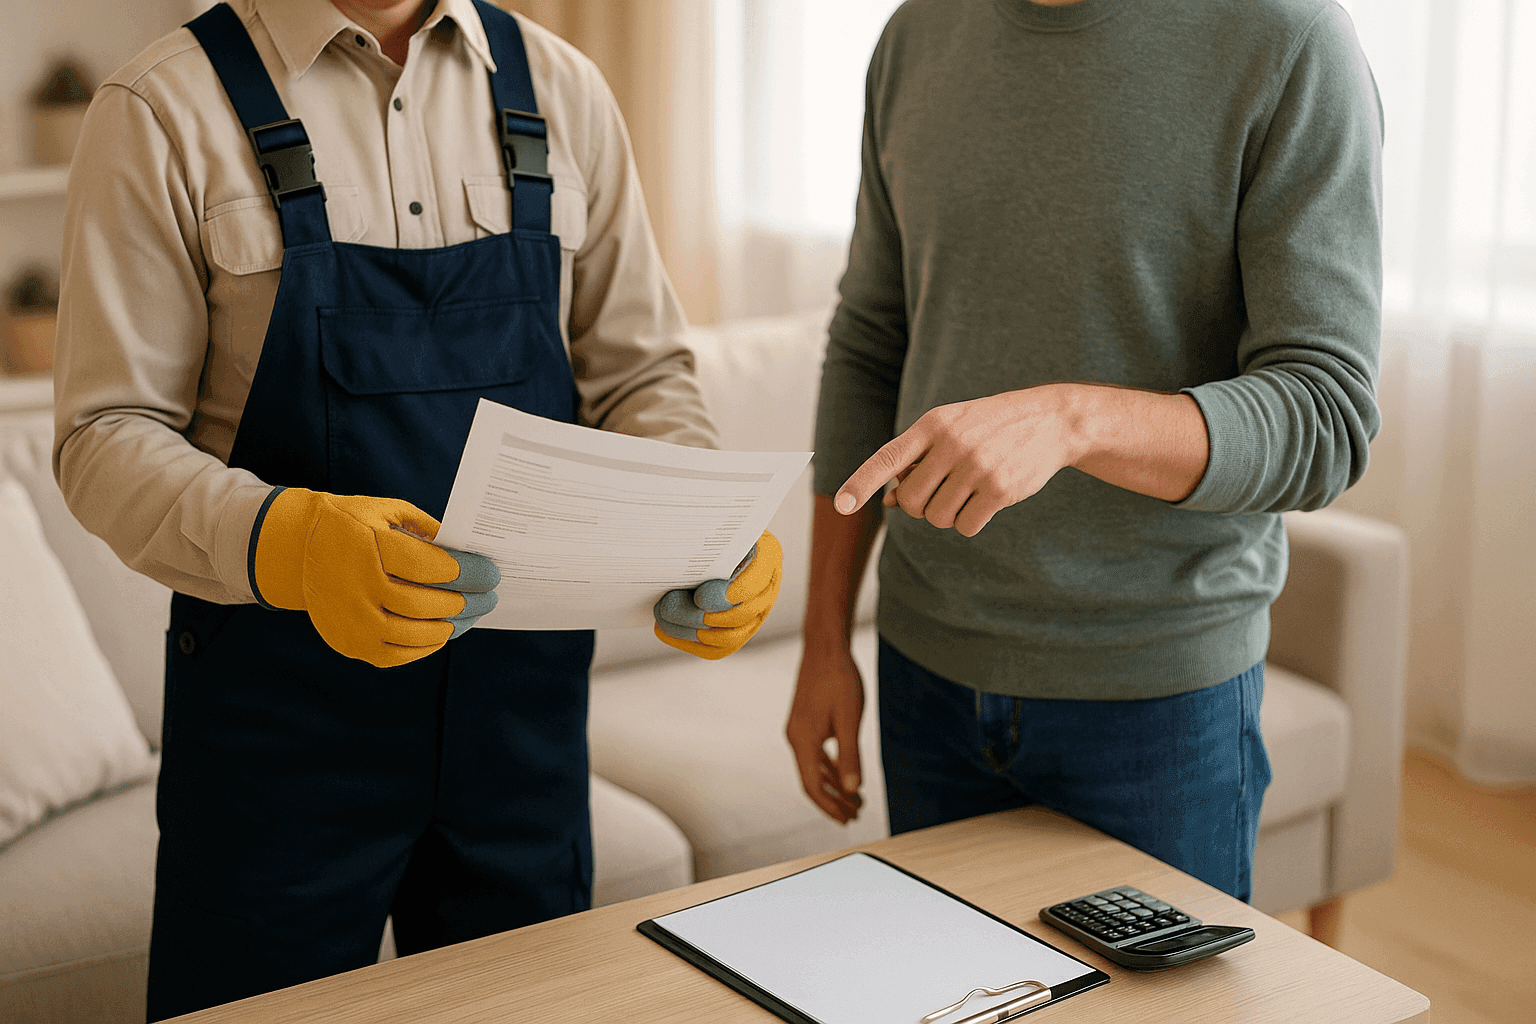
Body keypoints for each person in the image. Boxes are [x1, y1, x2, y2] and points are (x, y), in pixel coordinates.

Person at [52, 0, 779, 1018]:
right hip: (280, 741)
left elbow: (641, 375)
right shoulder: (162, 106)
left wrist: (698, 530)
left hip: (522, 732)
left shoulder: (562, 89)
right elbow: (104, 436)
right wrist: (291, 542)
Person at [787, 0, 1382, 905]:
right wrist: (824, 640)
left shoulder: (1288, 37)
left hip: (1157, 701)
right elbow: (873, 340)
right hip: (925, 676)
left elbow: (1325, 414)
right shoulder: (916, 34)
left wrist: (1075, 422)